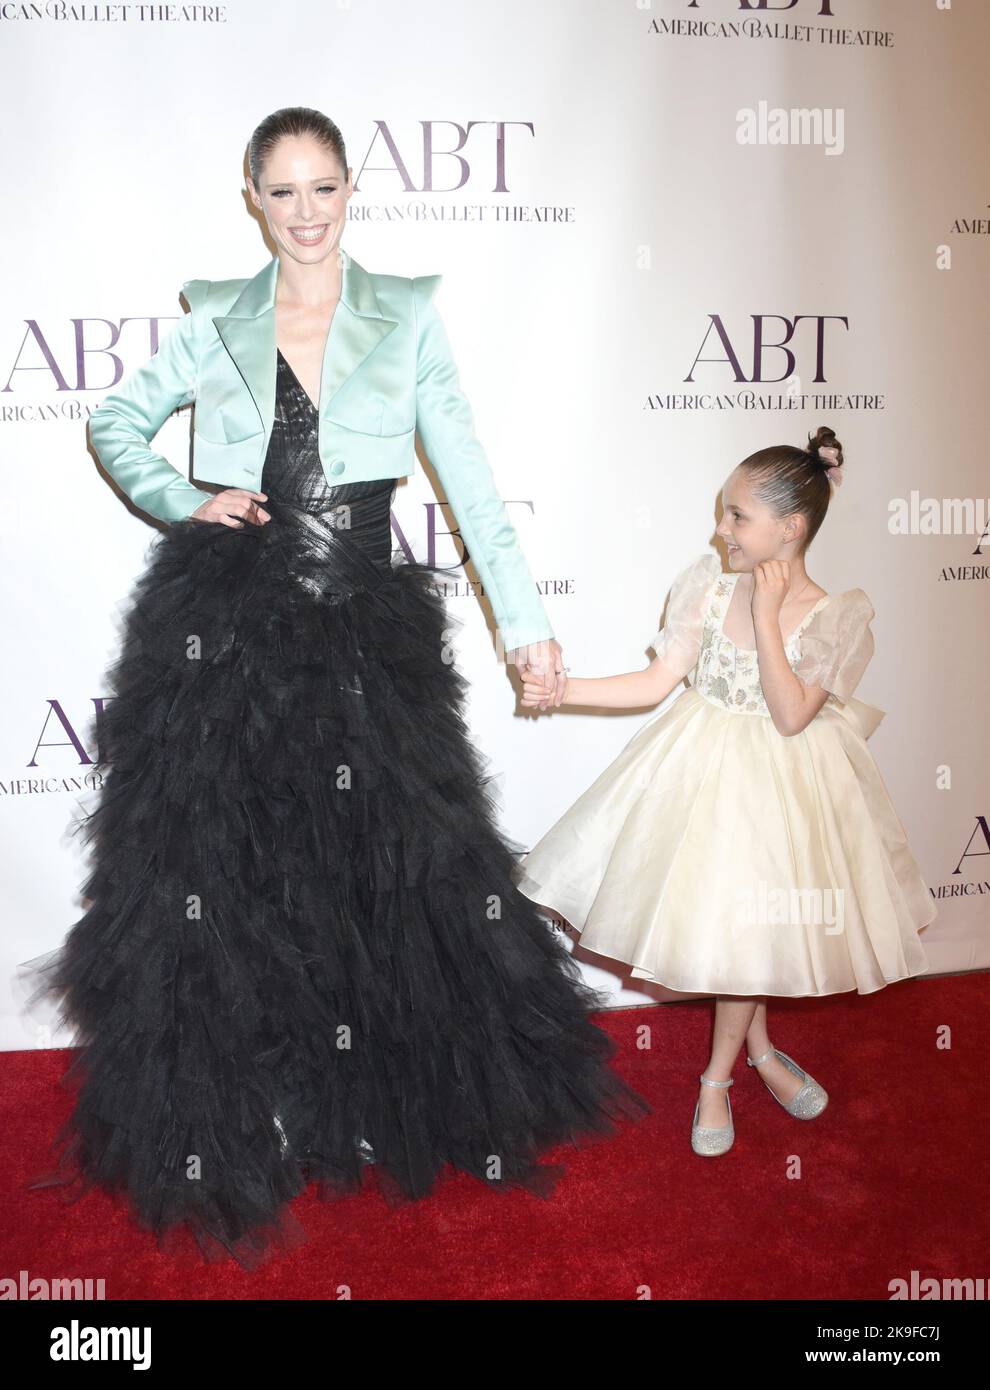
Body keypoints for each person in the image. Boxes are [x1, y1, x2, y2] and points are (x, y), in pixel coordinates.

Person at [22, 106, 649, 1268]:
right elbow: (116, 419)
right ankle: (252, 1099)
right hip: (228, 624)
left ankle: (375, 1095)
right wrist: (181, 494)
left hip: (364, 622)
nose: (307, 215)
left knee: (395, 865)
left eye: (324, 190)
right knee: (225, 871)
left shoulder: (404, 313)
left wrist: (530, 630)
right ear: (251, 198)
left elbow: (466, 472)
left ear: (351, 189)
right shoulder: (218, 314)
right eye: (284, 192)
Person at [514, 425, 935, 1157]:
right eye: (724, 512)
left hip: (785, 783)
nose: (720, 530)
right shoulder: (705, 588)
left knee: (750, 927)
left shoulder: (839, 616)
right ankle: (763, 1053)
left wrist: (768, 620)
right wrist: (560, 690)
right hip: (698, 773)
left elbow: (792, 713)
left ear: (790, 528)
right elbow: (654, 682)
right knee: (739, 934)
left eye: (737, 516)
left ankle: (717, 1078)